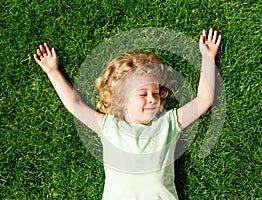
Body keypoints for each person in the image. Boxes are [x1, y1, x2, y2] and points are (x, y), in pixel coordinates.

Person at [34, 28, 221, 200]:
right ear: (121, 99)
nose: (152, 99)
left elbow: (203, 100)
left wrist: (207, 58)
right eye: (143, 94)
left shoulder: (168, 125)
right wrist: (52, 71)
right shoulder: (109, 127)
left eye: (156, 93)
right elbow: (75, 104)